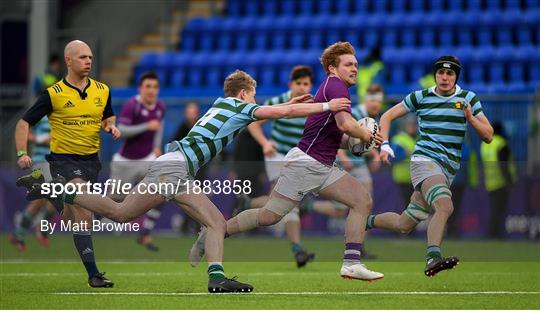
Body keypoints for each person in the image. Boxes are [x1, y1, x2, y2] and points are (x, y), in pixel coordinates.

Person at [26, 70, 351, 293]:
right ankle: (216, 277)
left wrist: (290, 104)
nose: (254, 101)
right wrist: (324, 105)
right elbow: (272, 114)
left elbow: (270, 110)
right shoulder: (240, 106)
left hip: (174, 167)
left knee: (129, 213)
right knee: (133, 213)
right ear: (243, 93)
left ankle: (216, 278)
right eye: (252, 95)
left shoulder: (224, 104)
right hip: (175, 169)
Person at [191, 42, 384, 281]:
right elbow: (346, 125)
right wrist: (365, 135)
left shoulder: (334, 87)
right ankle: (216, 229)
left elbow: (334, 136)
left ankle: (352, 263)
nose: (355, 68)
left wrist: (357, 142)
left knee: (356, 201)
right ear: (333, 68)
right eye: (349, 64)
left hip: (317, 164)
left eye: (356, 64)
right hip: (308, 164)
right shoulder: (336, 86)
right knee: (273, 215)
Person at [368, 56, 494, 277]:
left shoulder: (468, 98)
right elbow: (387, 116)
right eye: (440, 73)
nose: (444, 77)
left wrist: (471, 119)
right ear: (435, 75)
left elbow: (489, 136)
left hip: (448, 168)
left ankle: (365, 221)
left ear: (456, 77)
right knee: (445, 206)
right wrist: (385, 144)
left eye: (450, 74)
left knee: (404, 224)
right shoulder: (421, 96)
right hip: (424, 160)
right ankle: (432, 257)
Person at [15, 40, 120, 287]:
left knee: (78, 217)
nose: (88, 61)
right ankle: (94, 274)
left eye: (91, 57)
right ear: (69, 61)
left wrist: (110, 125)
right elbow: (23, 123)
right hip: (63, 161)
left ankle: (51, 193)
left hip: (92, 162)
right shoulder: (53, 94)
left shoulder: (102, 90)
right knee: (84, 209)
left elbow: (108, 114)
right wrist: (22, 152)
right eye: (83, 57)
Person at [240, 65, 317, 267]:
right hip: (277, 156)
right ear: (290, 84)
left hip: (297, 159)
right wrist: (265, 143)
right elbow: (253, 123)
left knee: (282, 203)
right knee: (288, 203)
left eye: (306, 83)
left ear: (311, 85)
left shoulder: (313, 106)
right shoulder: (279, 101)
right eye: (298, 83)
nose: (302, 87)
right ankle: (298, 249)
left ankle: (249, 203)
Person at [108, 71, 166, 251]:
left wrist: (156, 146)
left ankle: (145, 234)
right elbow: (122, 130)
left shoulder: (160, 107)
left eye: (155, 87)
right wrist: (146, 126)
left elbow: (159, 127)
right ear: (140, 88)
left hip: (147, 160)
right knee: (114, 201)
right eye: (148, 86)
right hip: (125, 162)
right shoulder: (131, 105)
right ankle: (82, 225)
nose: (151, 90)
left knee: (162, 192)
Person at [8, 116, 56, 252]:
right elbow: (25, 133)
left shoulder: (64, 112)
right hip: (41, 160)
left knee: (43, 200)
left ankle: (19, 233)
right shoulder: (41, 113)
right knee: (52, 195)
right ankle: (41, 229)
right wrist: (41, 139)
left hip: (57, 161)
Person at [480, 121, 516, 239]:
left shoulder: (485, 144)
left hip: (490, 182)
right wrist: (509, 181)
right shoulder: (501, 143)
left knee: (494, 210)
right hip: (501, 182)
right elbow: (503, 164)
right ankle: (496, 234)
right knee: (500, 211)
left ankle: (493, 232)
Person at [173, 101, 204, 235]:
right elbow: (174, 145)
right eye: (189, 111)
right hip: (185, 168)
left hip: (200, 168)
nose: (192, 115)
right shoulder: (182, 128)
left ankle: (199, 226)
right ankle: (185, 225)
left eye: (194, 112)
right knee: (186, 198)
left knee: (200, 198)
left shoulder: (201, 127)